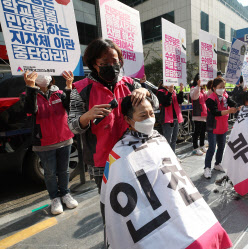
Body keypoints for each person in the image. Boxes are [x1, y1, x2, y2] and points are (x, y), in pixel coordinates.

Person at [100, 96, 233, 249]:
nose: (149, 119)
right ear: (128, 119)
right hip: (152, 216)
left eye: (151, 113)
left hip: (178, 202)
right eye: (143, 116)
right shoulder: (119, 155)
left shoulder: (159, 139)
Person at [68, 38, 159, 193]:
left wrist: (146, 92)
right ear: (94, 64)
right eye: (104, 63)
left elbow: (155, 105)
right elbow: (73, 127)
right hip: (103, 162)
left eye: (115, 61)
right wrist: (87, 116)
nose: (111, 66)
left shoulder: (131, 83)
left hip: (134, 153)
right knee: (112, 205)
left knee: (141, 199)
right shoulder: (81, 89)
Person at [21, 71, 78, 215]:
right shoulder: (27, 94)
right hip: (44, 142)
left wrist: (69, 86)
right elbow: (30, 109)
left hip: (65, 139)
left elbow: (70, 106)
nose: (42, 76)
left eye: (45, 72)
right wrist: (31, 87)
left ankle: (65, 194)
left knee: (64, 170)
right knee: (50, 173)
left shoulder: (59, 93)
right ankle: (55, 198)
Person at [204, 77, 239, 179]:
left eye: (224, 87)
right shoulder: (210, 99)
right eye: (220, 87)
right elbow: (215, 112)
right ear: (214, 88)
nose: (222, 89)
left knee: (221, 147)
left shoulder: (225, 96)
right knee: (211, 148)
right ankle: (207, 167)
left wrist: (237, 106)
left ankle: (218, 163)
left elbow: (232, 102)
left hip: (223, 126)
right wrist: (229, 111)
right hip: (213, 126)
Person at [157, 80, 184, 152]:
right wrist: (169, 92)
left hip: (175, 118)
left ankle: (173, 156)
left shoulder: (173, 91)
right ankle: (167, 157)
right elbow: (166, 103)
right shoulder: (160, 92)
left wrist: (181, 91)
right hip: (167, 119)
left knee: (174, 140)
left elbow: (180, 101)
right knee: (167, 140)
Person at [190, 73, 208, 155]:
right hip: (197, 114)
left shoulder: (203, 90)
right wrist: (198, 86)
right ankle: (195, 147)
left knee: (203, 131)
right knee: (197, 132)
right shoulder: (194, 89)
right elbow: (194, 97)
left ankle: (201, 145)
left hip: (204, 114)